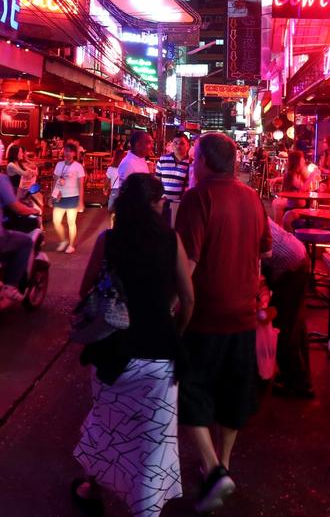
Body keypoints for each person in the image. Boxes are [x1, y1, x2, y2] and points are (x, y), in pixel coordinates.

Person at [72, 173, 194, 517]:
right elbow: (188, 298)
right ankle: (146, 509)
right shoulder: (171, 241)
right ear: (156, 205)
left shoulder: (108, 241)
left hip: (113, 355)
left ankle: (91, 487)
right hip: (159, 356)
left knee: (108, 424)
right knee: (153, 441)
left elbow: (85, 292)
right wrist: (175, 331)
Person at [176, 133, 272, 514]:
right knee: (234, 391)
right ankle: (223, 465)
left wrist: (172, 310)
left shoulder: (197, 197)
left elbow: (188, 266)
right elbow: (264, 250)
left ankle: (213, 468)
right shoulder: (252, 198)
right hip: (244, 313)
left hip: (206, 315)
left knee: (189, 388)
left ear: (202, 161)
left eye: (194, 157)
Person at [264, 218, 314, 399]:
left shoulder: (245, 214)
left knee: (285, 327)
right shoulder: (250, 205)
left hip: (289, 267)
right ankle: (300, 379)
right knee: (295, 326)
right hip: (298, 257)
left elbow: (261, 253)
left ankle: (296, 385)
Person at [0, 173, 41, 306]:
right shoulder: (1, 179)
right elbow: (16, 207)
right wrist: (33, 211)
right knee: (25, 242)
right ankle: (10, 286)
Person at [52, 142, 85, 254]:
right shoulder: (59, 165)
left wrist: (80, 201)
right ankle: (63, 240)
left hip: (72, 197)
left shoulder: (78, 166)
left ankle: (71, 245)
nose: (68, 153)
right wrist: (52, 195)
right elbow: (55, 181)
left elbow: (81, 185)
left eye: (70, 151)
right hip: (60, 197)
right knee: (56, 221)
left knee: (71, 222)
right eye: (66, 150)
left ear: (74, 153)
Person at [155, 134, 191, 227]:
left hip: (181, 205)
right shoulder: (163, 160)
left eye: (182, 143)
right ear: (172, 145)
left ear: (188, 146)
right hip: (164, 204)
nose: (178, 146)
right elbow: (157, 181)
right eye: (175, 143)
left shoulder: (192, 163)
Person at [272, 148, 310, 224]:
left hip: (300, 203)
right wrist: (312, 176)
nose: (304, 161)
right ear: (297, 161)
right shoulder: (290, 174)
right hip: (295, 204)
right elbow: (303, 188)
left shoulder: (300, 173)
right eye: (302, 159)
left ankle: (279, 227)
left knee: (278, 203)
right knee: (278, 204)